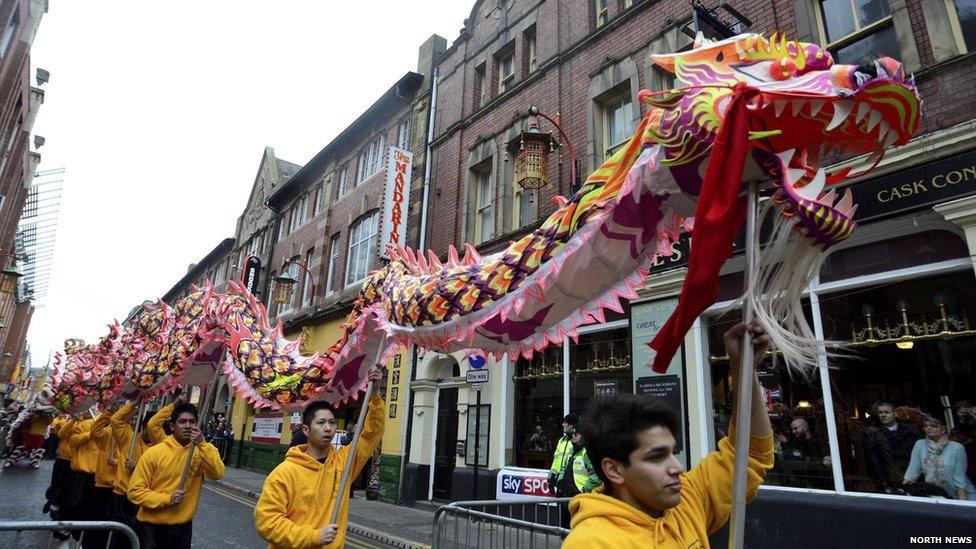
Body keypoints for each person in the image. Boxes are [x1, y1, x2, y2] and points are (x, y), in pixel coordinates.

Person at [564, 322, 774, 548]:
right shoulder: (592, 542)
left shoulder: (687, 500)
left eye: (673, 452)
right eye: (657, 456)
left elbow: (748, 453)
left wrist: (742, 366)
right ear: (614, 470)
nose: (678, 468)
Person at [254, 364, 385, 548]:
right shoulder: (284, 473)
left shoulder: (344, 462)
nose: (328, 428)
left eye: (332, 422)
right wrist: (314, 536)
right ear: (306, 430)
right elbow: (267, 522)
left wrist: (376, 392)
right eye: (321, 422)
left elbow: (372, 434)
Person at [127, 402, 225, 548]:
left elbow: (217, 473)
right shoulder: (154, 453)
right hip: (151, 529)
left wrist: (202, 444)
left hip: (182, 529)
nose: (187, 426)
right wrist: (167, 499)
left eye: (192, 422)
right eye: (182, 421)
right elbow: (135, 492)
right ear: (172, 426)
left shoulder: (203, 451)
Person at [903, 415, 976, 501]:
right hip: (936, 495)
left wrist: (962, 503)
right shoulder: (920, 445)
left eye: (934, 426)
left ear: (943, 429)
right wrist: (903, 493)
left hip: (962, 495)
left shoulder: (957, 448)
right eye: (926, 426)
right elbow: (912, 471)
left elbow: (959, 478)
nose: (929, 428)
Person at [874, 401, 921, 481]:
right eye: (880, 412)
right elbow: (875, 462)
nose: (883, 415)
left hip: (914, 476)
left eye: (887, 412)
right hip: (891, 478)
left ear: (895, 414)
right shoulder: (874, 435)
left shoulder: (911, 431)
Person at [548, 412, 580, 494]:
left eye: (565, 423)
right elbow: (556, 461)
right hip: (559, 482)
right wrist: (551, 476)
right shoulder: (561, 441)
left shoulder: (577, 442)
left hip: (571, 484)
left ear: (571, 425)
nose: (563, 425)